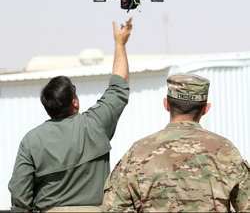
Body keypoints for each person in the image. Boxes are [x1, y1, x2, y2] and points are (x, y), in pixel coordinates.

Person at [8, 18, 133, 212]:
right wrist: (120, 44)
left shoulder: (31, 141)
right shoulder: (95, 124)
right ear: (75, 102)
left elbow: (19, 195)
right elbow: (119, 87)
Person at [102, 73, 250, 212]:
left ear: (166, 104)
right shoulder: (226, 151)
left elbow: (113, 207)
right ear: (205, 109)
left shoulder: (138, 151)